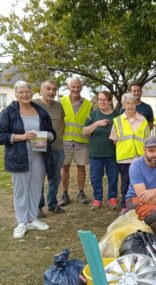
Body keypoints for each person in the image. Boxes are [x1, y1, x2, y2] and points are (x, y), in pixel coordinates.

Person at [0, 81, 56, 238]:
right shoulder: (8, 112)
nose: (24, 95)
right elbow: (1, 135)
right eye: (21, 92)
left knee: (35, 188)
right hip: (18, 157)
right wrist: (21, 136)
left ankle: (32, 219)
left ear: (32, 93)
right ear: (16, 94)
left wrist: (46, 136)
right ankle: (21, 222)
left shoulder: (40, 111)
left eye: (27, 92)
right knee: (20, 191)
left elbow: (52, 133)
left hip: (39, 156)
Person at [110, 93, 150, 215]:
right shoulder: (117, 121)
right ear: (123, 105)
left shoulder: (143, 120)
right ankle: (124, 206)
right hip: (125, 158)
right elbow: (114, 139)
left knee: (140, 182)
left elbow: (147, 138)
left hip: (139, 158)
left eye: (133, 103)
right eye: (128, 103)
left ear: (136, 104)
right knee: (125, 182)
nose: (130, 106)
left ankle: (140, 204)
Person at [83, 91, 119, 211]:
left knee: (113, 177)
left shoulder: (117, 116)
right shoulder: (93, 115)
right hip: (96, 153)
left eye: (105, 99)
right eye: (100, 100)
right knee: (95, 178)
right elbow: (84, 132)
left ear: (110, 101)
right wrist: (97, 123)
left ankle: (112, 198)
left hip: (112, 153)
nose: (102, 102)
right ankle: (97, 199)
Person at [34, 80, 66, 216]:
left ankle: (52, 204)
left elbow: (62, 124)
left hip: (57, 146)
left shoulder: (59, 106)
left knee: (55, 177)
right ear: (41, 90)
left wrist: (57, 137)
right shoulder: (34, 104)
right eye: (48, 89)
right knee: (39, 177)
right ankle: (38, 206)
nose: (51, 92)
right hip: (39, 144)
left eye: (54, 89)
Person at [60, 77, 93, 206]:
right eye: (73, 87)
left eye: (77, 87)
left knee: (81, 167)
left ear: (81, 88)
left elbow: (91, 122)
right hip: (66, 140)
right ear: (69, 87)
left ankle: (80, 192)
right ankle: (64, 193)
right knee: (65, 167)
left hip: (82, 141)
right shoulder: (61, 102)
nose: (75, 89)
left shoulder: (88, 105)